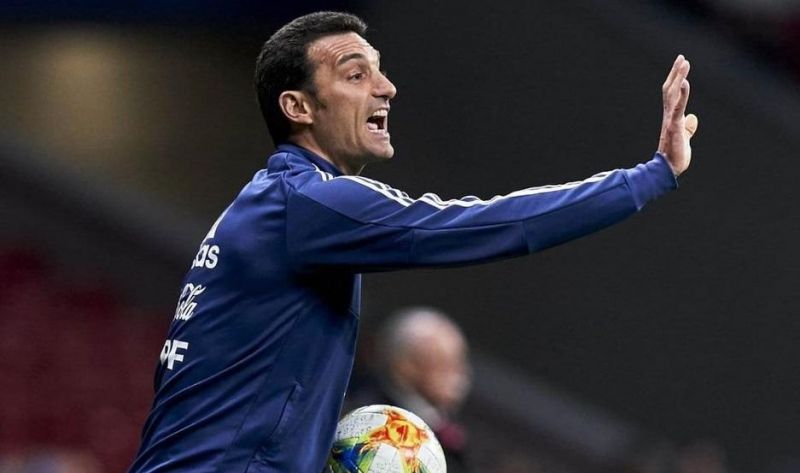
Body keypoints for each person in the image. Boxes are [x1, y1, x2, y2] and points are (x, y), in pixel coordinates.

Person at [128, 10, 698, 473]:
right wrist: (650, 176)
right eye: (356, 75)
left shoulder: (269, 205)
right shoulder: (310, 205)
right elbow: (494, 224)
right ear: (298, 107)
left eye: (380, 71)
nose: (387, 87)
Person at [349, 307, 473, 470]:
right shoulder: (369, 421)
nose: (461, 376)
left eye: (460, 363)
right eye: (445, 364)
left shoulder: (444, 424)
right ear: (404, 366)